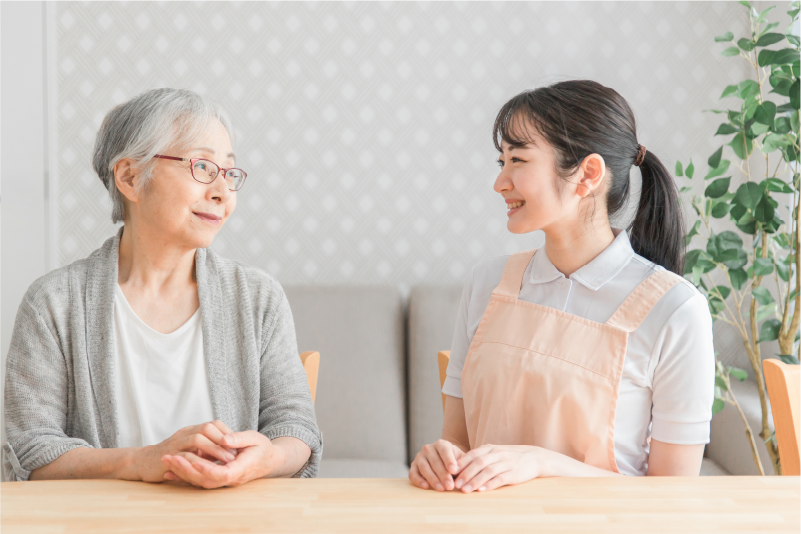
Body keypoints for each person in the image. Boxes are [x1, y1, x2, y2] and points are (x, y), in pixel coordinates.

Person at [3, 88, 321, 487]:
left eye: (229, 172)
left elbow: (297, 430)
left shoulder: (258, 297)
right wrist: (139, 461)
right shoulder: (53, 303)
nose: (222, 192)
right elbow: (30, 451)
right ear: (130, 177)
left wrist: (266, 458)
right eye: (203, 167)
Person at [410, 80, 714, 493]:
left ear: (587, 174)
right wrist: (439, 459)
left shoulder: (676, 309)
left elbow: (675, 494)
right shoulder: (486, 284)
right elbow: (458, 441)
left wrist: (540, 463)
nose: (500, 182)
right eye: (500, 161)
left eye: (518, 160)